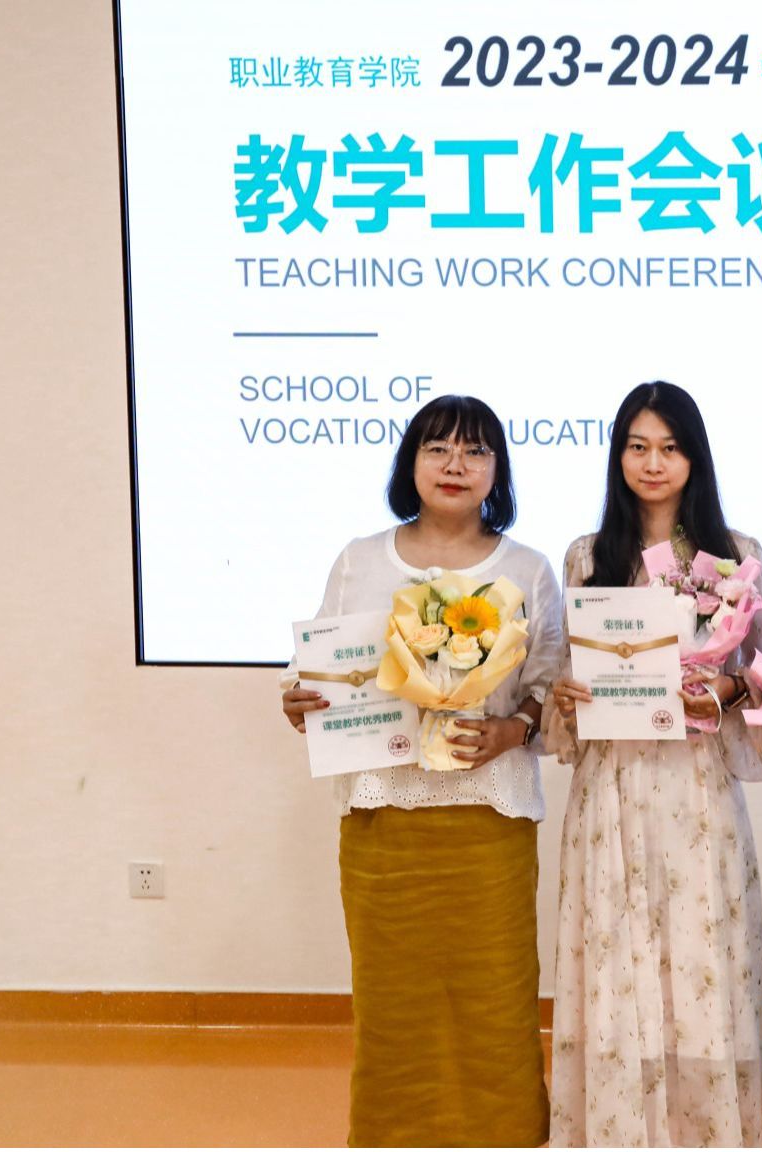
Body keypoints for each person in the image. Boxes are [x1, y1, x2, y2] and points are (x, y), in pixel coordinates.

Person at [278, 394, 561, 1147]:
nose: (455, 464)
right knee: (392, 1004)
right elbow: (318, 666)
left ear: (498, 470)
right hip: (385, 822)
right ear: (411, 462)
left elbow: (548, 688)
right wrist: (299, 697)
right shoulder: (360, 559)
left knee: (495, 1000)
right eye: (438, 448)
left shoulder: (529, 569)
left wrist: (513, 728)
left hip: (489, 820)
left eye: (475, 450)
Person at [543, 382, 762, 1147]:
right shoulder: (588, 556)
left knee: (700, 967)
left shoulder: (737, 555)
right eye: (638, 446)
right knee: (614, 966)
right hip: (610, 790)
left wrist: (728, 687)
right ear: (618, 457)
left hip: (695, 789)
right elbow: (567, 678)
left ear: (694, 457)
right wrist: (568, 693)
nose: (653, 462)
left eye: (670, 448)